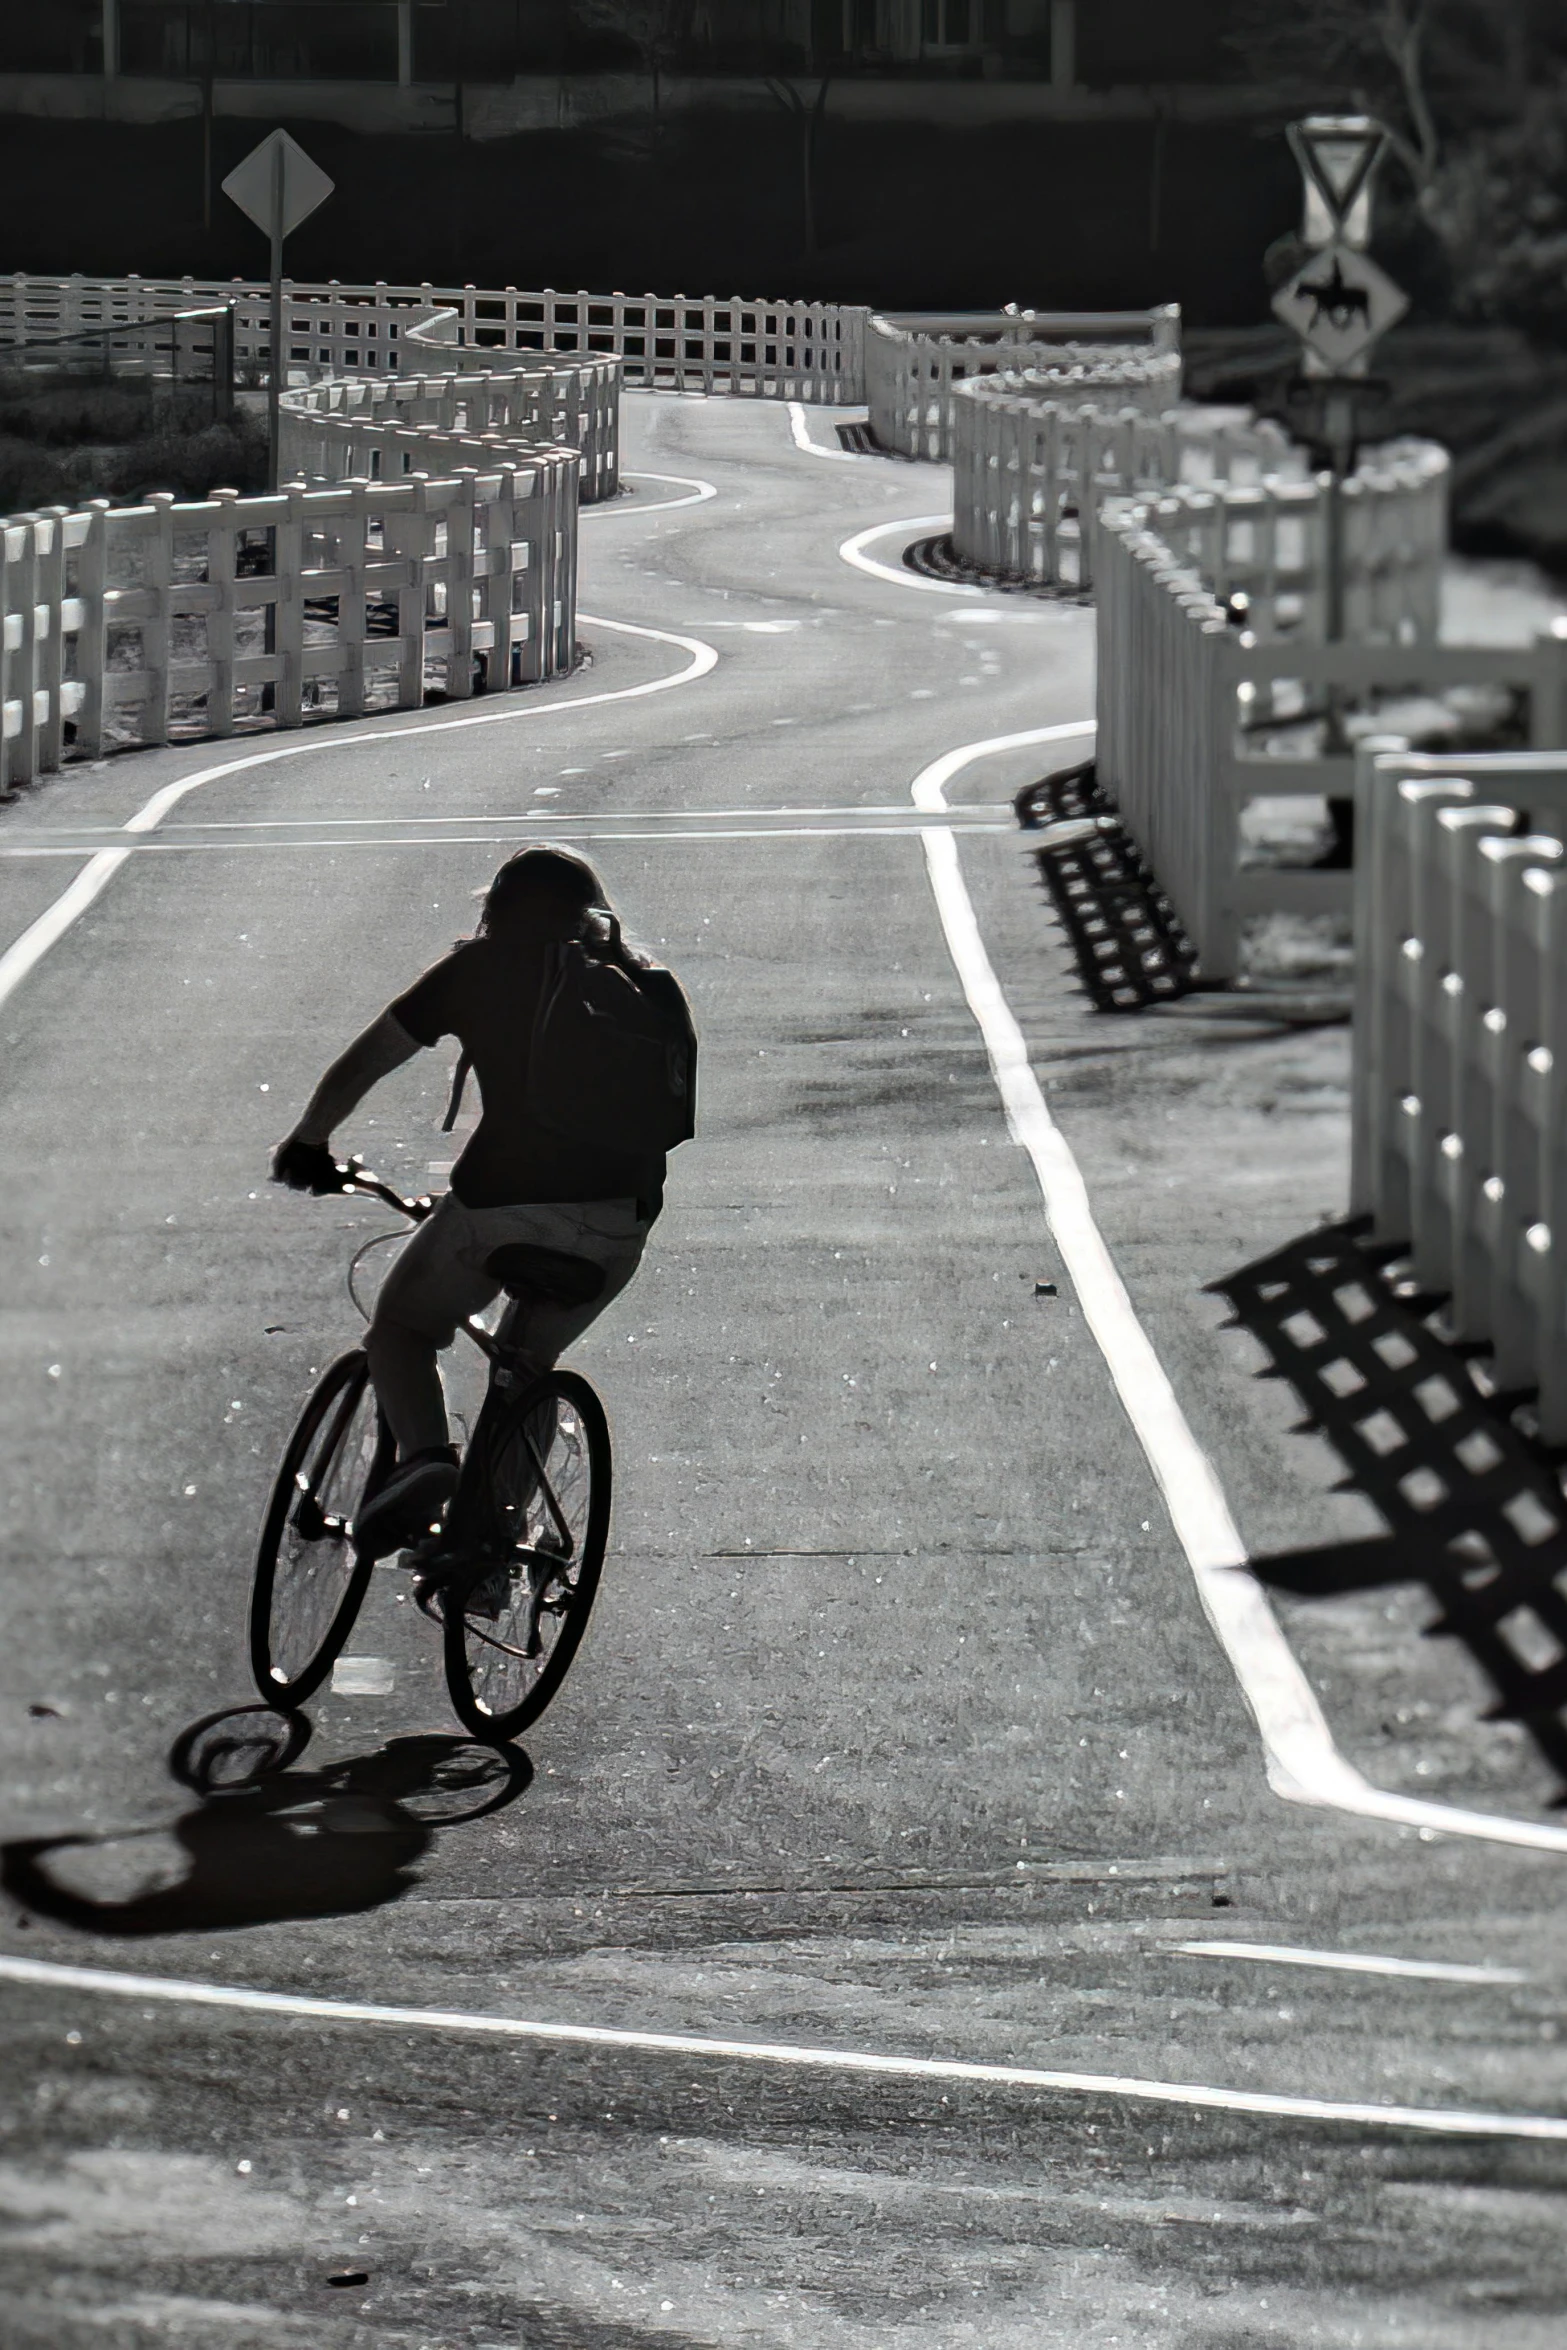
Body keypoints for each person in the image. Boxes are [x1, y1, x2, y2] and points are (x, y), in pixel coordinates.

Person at [271, 846, 681, 1560]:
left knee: (401, 1326)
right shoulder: (643, 982)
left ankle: (426, 1458)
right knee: (528, 1368)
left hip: (502, 1201)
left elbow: (366, 1060)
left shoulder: (479, 970)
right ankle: (490, 1555)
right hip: (622, 1218)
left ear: (493, 908)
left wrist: (310, 1139)